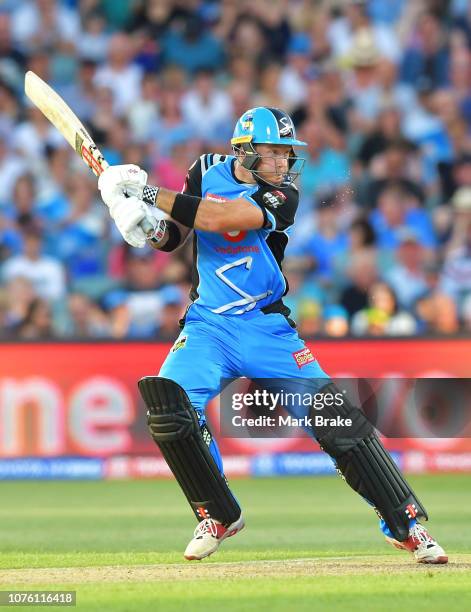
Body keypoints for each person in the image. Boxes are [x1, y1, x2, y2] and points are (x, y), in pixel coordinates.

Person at [98, 107, 447, 564]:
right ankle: (218, 514)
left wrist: (143, 191)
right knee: (169, 407)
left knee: (338, 421)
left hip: (268, 327)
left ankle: (407, 526)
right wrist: (142, 224)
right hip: (209, 325)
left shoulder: (284, 194)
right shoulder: (203, 171)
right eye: (275, 152)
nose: (284, 161)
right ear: (244, 151)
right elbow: (175, 237)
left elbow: (221, 220)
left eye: (287, 153)